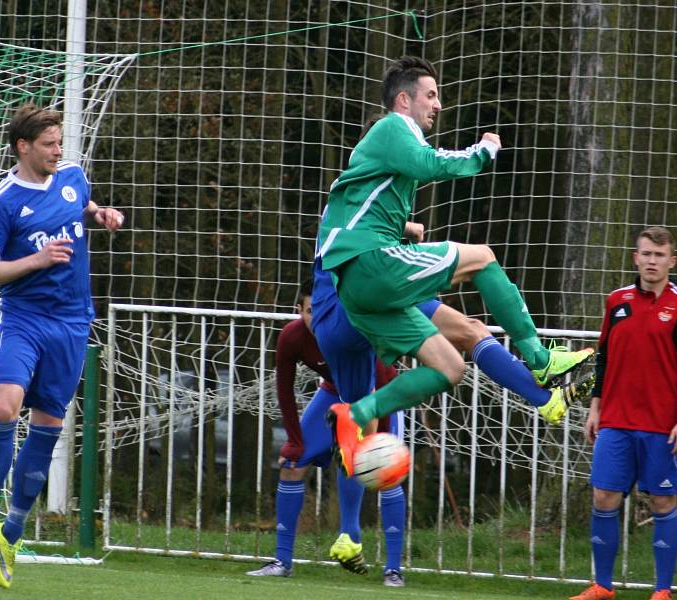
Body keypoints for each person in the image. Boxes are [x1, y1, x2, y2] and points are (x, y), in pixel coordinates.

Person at [319, 56, 593, 474]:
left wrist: (405, 228)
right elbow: (431, 164)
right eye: (431, 95)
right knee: (482, 258)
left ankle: (356, 415)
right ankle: (539, 360)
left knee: (450, 367)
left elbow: (351, 203)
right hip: (370, 264)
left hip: (357, 284)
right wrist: (481, 153)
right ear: (404, 99)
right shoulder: (394, 126)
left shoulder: (387, 147)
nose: (438, 104)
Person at [0, 104, 124, 589]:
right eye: (48, 144)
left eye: (59, 143)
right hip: (25, 319)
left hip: (72, 323)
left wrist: (103, 215)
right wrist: (36, 259)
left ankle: (12, 531)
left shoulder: (73, 177)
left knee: (49, 422)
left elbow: (84, 206)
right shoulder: (3, 200)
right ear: (23, 147)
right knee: (5, 408)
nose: (57, 151)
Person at [571, 227, 677, 600]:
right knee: (603, 498)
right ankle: (602, 586)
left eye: (659, 255)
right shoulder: (616, 301)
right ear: (635, 257)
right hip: (614, 420)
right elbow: (605, 359)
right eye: (646, 254)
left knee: (662, 502)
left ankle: (663, 591)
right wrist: (595, 408)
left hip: (662, 426)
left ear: (671, 261)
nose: (651, 261)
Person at [246, 279, 407, 586]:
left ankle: (393, 569)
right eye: (309, 311)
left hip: (379, 395)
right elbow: (285, 390)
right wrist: (294, 441)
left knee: (386, 473)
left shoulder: (354, 330)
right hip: (333, 393)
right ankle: (282, 562)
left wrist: (378, 442)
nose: (316, 317)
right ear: (299, 310)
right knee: (291, 465)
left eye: (322, 310)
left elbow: (379, 380)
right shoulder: (291, 337)